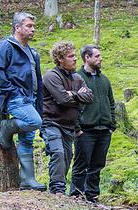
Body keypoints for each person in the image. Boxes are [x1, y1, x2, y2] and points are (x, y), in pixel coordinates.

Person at [0, 12, 46, 191]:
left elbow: (38, 81)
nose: (33, 29)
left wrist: (39, 103)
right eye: (29, 26)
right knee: (34, 122)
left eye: (33, 26)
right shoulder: (6, 46)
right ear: (17, 28)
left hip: (30, 97)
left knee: (27, 139)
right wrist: (10, 92)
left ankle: (27, 179)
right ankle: (7, 126)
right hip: (16, 97)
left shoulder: (33, 52)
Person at [41, 41, 93, 194]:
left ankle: (59, 189)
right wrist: (78, 96)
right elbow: (62, 99)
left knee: (67, 157)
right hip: (51, 122)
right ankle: (57, 189)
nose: (75, 59)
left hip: (69, 126)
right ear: (60, 58)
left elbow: (90, 96)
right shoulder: (51, 76)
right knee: (57, 153)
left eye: (75, 55)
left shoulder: (77, 77)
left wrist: (73, 95)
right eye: (70, 56)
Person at [70, 45, 116, 203]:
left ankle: (92, 196)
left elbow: (111, 102)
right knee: (81, 164)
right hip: (85, 130)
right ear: (87, 58)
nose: (100, 58)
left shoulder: (104, 79)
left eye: (100, 56)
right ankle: (76, 195)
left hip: (104, 130)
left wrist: (112, 125)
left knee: (97, 165)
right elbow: (72, 104)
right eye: (96, 56)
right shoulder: (76, 78)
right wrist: (77, 128)